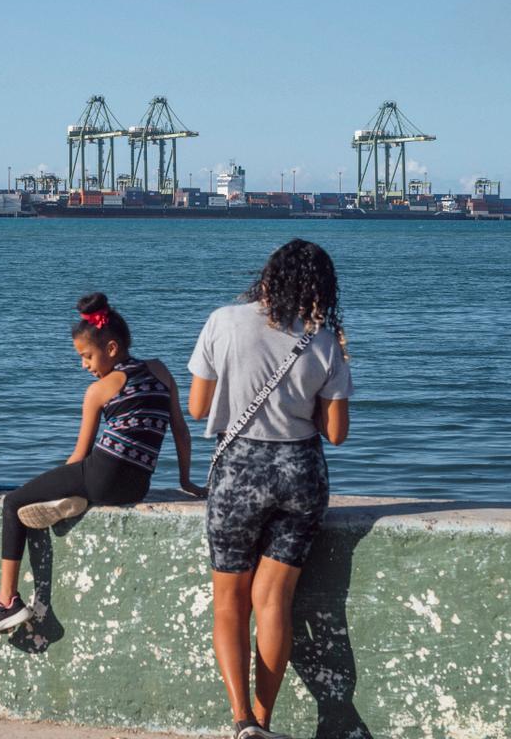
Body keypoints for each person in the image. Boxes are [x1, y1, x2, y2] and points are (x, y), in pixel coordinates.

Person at [187, 240, 353, 739]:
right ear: (320, 288)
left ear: (269, 276)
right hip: (300, 472)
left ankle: (241, 721)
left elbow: (197, 408)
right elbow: (337, 433)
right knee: (273, 601)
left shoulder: (224, 320)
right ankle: (264, 720)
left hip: (237, 472)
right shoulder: (324, 339)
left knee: (229, 601)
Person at [0, 292, 207, 635]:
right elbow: (181, 432)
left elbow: (80, 456)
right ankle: (73, 501)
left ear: (111, 349)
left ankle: (6, 602)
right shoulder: (160, 369)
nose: (84, 365)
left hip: (101, 474)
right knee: (77, 482)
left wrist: (60, 476)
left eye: (87, 356)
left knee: (13, 502)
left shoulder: (99, 391)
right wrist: (187, 481)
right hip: (137, 485)